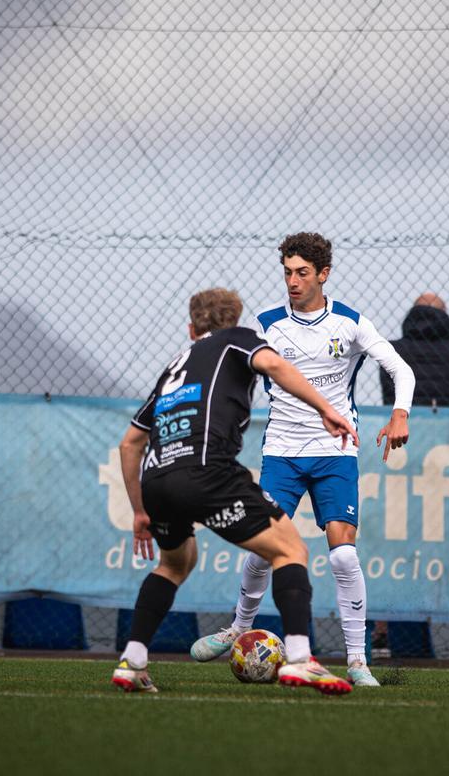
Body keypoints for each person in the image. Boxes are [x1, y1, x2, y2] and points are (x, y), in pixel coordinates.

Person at [189, 232, 416, 688]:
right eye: (287, 272)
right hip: (282, 453)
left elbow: (400, 368)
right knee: (264, 547)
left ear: (323, 274)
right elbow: (224, 366)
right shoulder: (266, 323)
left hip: (335, 452)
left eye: (302, 273)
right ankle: (238, 627)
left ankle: (357, 661)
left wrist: (399, 413)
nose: (292, 281)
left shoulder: (350, 323)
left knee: (344, 557)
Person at [111, 288, 359, 695]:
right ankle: (300, 659)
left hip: (157, 481)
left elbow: (129, 445)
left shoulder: (175, 367)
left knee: (175, 563)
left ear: (192, 329)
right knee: (290, 551)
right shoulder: (237, 338)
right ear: (235, 320)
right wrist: (325, 408)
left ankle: (133, 661)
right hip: (207, 472)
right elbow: (274, 365)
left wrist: (140, 511)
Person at [377, 292, 449, 659]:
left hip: (406, 464)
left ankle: (382, 631)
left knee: (396, 546)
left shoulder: (393, 350)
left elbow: (390, 398)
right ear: (445, 318)